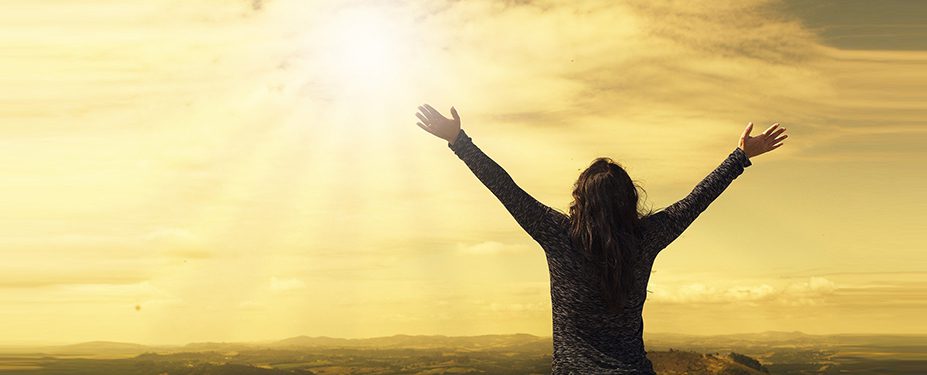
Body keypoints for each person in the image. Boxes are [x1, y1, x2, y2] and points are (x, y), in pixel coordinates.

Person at [414, 103, 787, 374]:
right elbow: (695, 200)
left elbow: (505, 188)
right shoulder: (646, 237)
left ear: (580, 198)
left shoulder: (557, 234)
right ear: (630, 199)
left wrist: (459, 141)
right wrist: (740, 156)